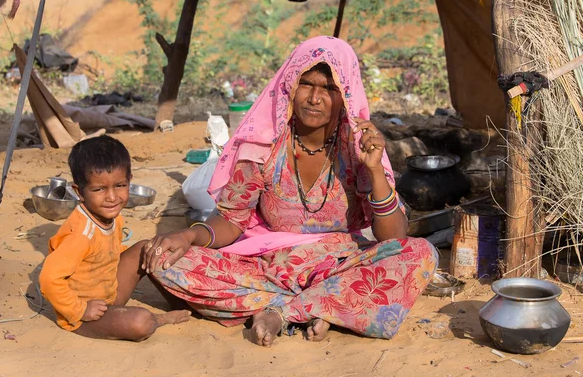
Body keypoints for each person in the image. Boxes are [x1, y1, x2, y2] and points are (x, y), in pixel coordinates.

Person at [118, 36, 438, 347]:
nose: (315, 98)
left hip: (338, 264)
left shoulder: (359, 146)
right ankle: (323, 308)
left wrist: (374, 171)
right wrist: (187, 236)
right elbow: (231, 221)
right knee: (157, 255)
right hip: (266, 269)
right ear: (290, 85)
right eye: (306, 84)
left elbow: (393, 237)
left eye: (329, 88)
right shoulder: (263, 145)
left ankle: (283, 312)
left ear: (346, 94)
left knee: (421, 253)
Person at [38, 136, 190, 341]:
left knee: (149, 248)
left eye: (119, 185)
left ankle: (183, 301)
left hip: (109, 294)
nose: (112, 197)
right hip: (85, 315)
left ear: (129, 181)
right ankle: (160, 319)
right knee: (141, 322)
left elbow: (108, 252)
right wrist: (80, 310)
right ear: (79, 192)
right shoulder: (81, 235)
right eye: (99, 189)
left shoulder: (113, 218)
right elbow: (49, 279)